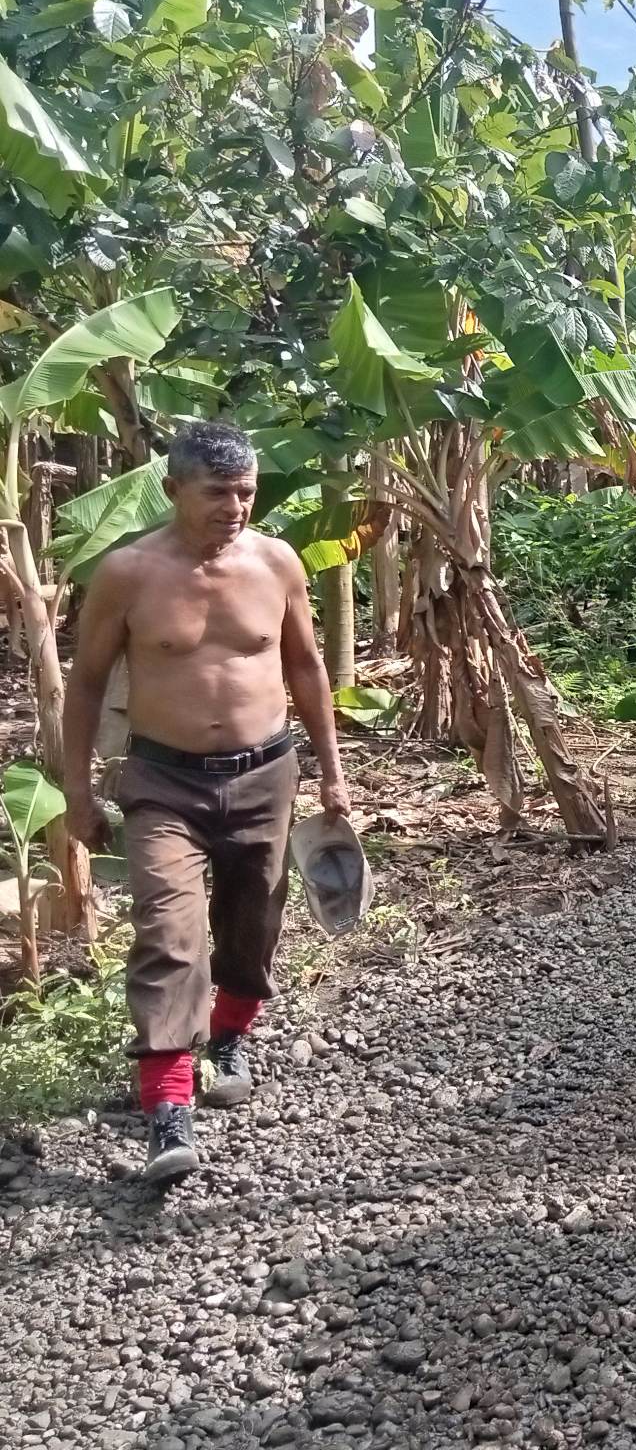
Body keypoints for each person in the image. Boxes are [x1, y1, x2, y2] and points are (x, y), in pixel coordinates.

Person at [63, 422, 351, 1185]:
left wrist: (332, 771)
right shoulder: (128, 573)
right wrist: (77, 792)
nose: (235, 507)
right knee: (169, 933)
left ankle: (228, 1036)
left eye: (246, 492)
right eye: (218, 493)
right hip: (164, 782)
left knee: (253, 923)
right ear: (173, 490)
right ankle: (168, 1107)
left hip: (265, 773)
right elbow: (85, 684)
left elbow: (306, 667)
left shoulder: (276, 562)